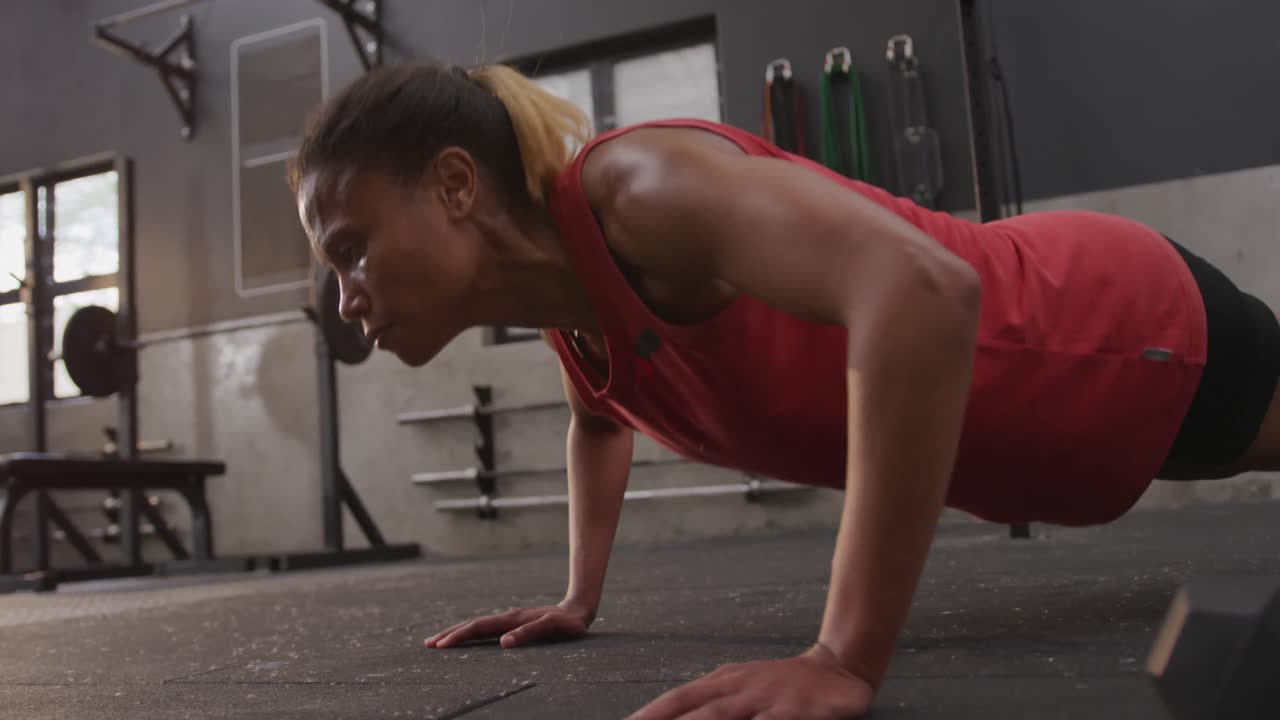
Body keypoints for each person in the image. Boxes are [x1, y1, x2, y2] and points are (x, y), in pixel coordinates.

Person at [289, 61, 1280, 719]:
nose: (346, 297)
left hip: (1100, 334)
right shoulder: (571, 307)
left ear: (455, 185)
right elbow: (599, 423)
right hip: (1072, 441)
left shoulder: (639, 187)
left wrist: (843, 656)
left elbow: (923, 290)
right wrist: (578, 596)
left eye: (350, 249)